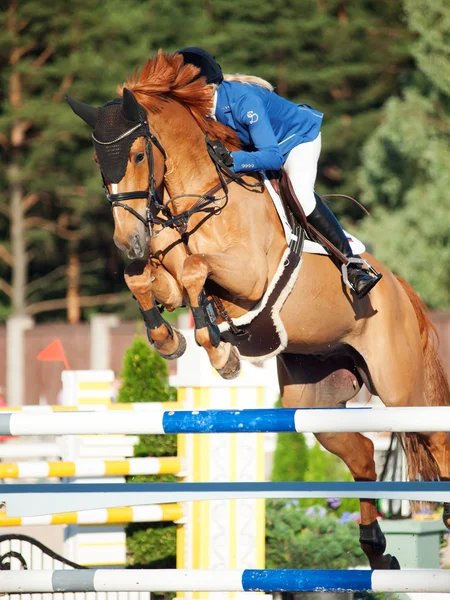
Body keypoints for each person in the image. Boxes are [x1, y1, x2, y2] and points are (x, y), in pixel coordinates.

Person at [177, 47, 382, 299]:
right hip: (258, 148)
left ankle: (353, 265)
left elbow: (273, 156)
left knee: (301, 196)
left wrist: (234, 160)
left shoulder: (244, 101)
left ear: (206, 89)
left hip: (296, 141)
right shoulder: (201, 108)